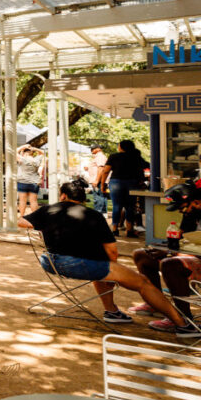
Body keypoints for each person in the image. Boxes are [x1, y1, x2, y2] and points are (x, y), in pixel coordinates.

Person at [18, 180, 198, 336]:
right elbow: (112, 252)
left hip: (50, 262)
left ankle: (112, 312)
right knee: (141, 282)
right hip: (79, 265)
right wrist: (115, 272)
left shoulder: (49, 209)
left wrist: (42, 228)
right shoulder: (93, 216)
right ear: (84, 200)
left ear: (63, 196)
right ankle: (183, 324)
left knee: (101, 267)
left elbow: (22, 222)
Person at [129, 183, 201, 332]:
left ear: (196, 202)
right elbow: (182, 238)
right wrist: (164, 247)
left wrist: (173, 252)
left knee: (170, 264)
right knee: (141, 255)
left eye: (182, 207)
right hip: (194, 257)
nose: (181, 211)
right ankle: (156, 304)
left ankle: (183, 320)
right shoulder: (190, 214)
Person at [96, 139, 149, 237]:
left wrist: (102, 184)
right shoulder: (136, 157)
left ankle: (115, 229)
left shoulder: (114, 156)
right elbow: (147, 165)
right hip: (132, 183)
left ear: (121, 147)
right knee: (130, 207)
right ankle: (129, 230)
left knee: (117, 206)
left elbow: (106, 171)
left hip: (116, 182)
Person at [16, 145, 44, 216]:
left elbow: (14, 151)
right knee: (33, 201)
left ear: (24, 153)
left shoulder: (22, 159)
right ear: (32, 153)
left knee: (22, 201)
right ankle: (35, 218)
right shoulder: (36, 160)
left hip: (22, 182)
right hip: (34, 183)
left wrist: (23, 146)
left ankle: (22, 216)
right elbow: (42, 153)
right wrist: (34, 148)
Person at [86, 145, 109, 215]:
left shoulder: (100, 157)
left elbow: (101, 168)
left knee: (98, 197)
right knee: (102, 196)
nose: (91, 150)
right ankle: (103, 213)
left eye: (93, 148)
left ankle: (98, 213)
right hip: (100, 180)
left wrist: (96, 180)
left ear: (98, 149)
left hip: (98, 180)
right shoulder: (99, 157)